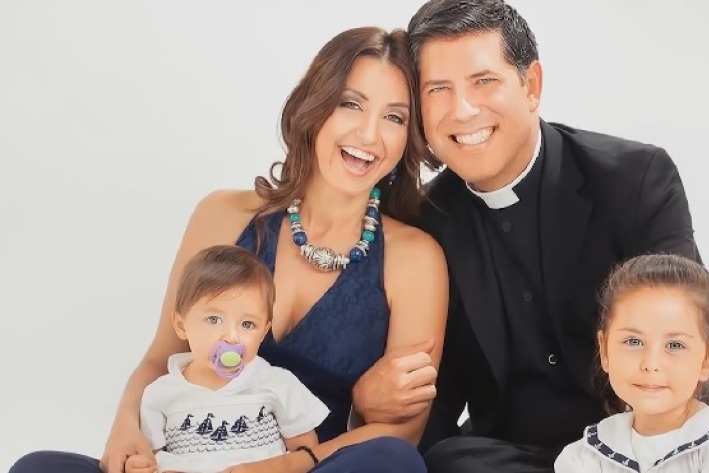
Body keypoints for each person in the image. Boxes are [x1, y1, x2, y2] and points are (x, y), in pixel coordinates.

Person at [347, 1, 709, 472]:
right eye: (438, 89)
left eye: (484, 81)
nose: (462, 111)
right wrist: (383, 436)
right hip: (538, 456)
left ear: (531, 84)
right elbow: (436, 391)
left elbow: (682, 324)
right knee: (455, 460)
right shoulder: (426, 224)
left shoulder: (634, 177)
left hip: (677, 432)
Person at [10, 26, 448, 473]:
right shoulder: (222, 216)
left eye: (394, 117)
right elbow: (161, 360)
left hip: (315, 467)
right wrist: (126, 431)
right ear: (315, 107)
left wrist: (286, 464)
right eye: (350, 104)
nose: (369, 134)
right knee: (37, 467)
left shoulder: (415, 258)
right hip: (189, 462)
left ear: (409, 136)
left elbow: (402, 431)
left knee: (393, 461)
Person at [553, 254, 709, 472]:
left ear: (708, 360)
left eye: (675, 345)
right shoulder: (584, 457)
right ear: (605, 351)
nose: (651, 363)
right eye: (633, 341)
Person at [126, 245, 329, 473]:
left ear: (263, 333)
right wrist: (139, 466)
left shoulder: (278, 383)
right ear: (181, 326)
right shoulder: (160, 393)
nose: (232, 337)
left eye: (247, 325)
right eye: (213, 319)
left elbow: (305, 454)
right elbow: (151, 458)